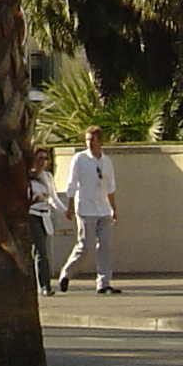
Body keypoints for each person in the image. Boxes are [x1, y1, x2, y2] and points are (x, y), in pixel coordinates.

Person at [55, 126, 119, 294]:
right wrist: (70, 207)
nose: (89, 143)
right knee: (85, 245)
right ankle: (67, 273)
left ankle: (103, 283)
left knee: (104, 246)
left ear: (101, 142)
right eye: (87, 140)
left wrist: (113, 208)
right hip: (86, 209)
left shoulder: (106, 162)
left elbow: (110, 186)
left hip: (103, 209)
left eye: (93, 140)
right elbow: (72, 183)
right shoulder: (80, 159)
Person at [27, 148, 61, 297]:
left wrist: (66, 211)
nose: (42, 162)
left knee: (40, 251)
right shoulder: (27, 177)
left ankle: (38, 283)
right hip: (32, 215)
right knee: (40, 251)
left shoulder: (47, 176)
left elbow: (53, 197)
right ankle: (44, 285)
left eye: (45, 159)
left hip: (44, 216)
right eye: (39, 158)